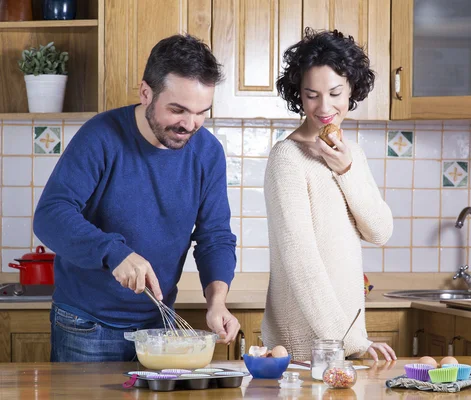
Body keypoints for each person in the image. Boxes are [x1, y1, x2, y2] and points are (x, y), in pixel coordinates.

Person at [33, 34, 240, 362]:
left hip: (158, 325)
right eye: (178, 110)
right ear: (146, 93)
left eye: (202, 112)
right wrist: (113, 252)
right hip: (87, 326)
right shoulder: (100, 137)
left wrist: (217, 301)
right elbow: (50, 214)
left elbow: (215, 237)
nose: (190, 124)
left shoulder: (208, 153)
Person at [261, 28, 397, 362]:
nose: (325, 107)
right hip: (302, 347)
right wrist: (351, 341)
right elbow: (300, 261)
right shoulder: (286, 159)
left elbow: (380, 231)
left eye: (335, 92)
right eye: (311, 95)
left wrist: (346, 169)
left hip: (345, 340)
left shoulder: (352, 155)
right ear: (299, 94)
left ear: (352, 88)